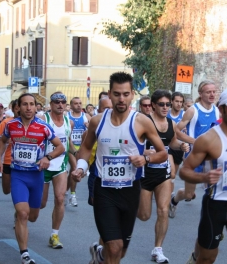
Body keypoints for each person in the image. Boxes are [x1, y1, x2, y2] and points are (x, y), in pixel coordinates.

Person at [72, 72, 168, 264]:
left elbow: (163, 153)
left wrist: (145, 160)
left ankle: (99, 256)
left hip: (130, 191)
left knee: (120, 251)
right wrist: (81, 167)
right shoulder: (97, 121)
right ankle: (104, 254)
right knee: (114, 247)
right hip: (104, 190)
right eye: (117, 94)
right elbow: (85, 148)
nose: (121, 99)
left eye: (125, 94)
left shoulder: (141, 121)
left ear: (132, 94)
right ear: (109, 94)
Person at [181, 87, 227, 264]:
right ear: (222, 109)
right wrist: (204, 178)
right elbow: (185, 170)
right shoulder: (208, 140)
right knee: (207, 258)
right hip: (216, 207)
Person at [0, 93, 65, 264]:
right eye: (24, 104)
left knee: (33, 216)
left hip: (36, 176)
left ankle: (20, 214)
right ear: (18, 107)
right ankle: (24, 254)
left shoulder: (43, 127)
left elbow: (60, 147)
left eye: (32, 104)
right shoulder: (11, 125)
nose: (28, 108)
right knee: (23, 214)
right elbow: (2, 141)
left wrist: (47, 157)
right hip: (18, 175)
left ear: (35, 106)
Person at [137, 90, 189, 263]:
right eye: (162, 104)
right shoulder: (143, 122)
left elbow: (171, 142)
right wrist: (145, 151)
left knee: (163, 210)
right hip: (145, 173)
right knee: (144, 215)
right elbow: (131, 145)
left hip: (163, 172)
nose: (166, 107)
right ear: (153, 105)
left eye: (168, 104)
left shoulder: (170, 122)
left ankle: (158, 249)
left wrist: (181, 145)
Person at [170, 80, 219, 218]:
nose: (212, 94)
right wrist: (194, 141)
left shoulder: (217, 111)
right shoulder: (193, 110)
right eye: (208, 92)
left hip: (211, 158)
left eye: (214, 92)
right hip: (194, 157)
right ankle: (174, 200)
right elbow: (177, 131)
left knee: (213, 191)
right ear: (201, 93)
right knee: (189, 194)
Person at [40, 92, 76, 249]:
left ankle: (54, 235)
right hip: (43, 166)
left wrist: (77, 159)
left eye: (63, 102)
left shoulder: (70, 123)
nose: (60, 105)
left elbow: (68, 143)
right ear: (51, 103)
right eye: (57, 102)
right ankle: (19, 213)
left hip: (60, 166)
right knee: (40, 204)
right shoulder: (43, 120)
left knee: (60, 198)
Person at [67, 97, 91, 206]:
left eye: (80, 103)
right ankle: (73, 195)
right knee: (74, 168)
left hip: (81, 148)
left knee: (71, 173)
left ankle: (66, 192)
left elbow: (92, 132)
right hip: (70, 147)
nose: (78, 105)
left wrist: (89, 126)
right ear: (71, 105)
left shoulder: (86, 117)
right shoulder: (67, 116)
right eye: (76, 103)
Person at [0, 100, 19, 194]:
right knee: (6, 190)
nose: (19, 110)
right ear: (13, 109)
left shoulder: (31, 123)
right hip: (8, 160)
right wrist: (6, 140)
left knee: (19, 188)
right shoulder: (7, 122)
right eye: (17, 108)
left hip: (23, 162)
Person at [166, 91, 185, 200]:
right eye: (176, 101)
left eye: (181, 102)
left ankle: (171, 199)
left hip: (179, 147)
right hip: (168, 146)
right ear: (172, 102)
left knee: (173, 175)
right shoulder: (166, 113)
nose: (178, 104)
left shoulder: (185, 115)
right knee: (171, 172)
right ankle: (168, 198)